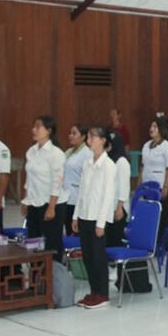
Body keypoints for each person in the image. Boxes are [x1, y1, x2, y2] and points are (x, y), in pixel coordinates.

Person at [71, 127, 118, 310]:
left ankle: (103, 293)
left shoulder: (109, 166)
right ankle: (93, 291)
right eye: (88, 136)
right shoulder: (87, 163)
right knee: (88, 257)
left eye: (92, 136)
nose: (89, 139)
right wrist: (76, 215)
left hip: (98, 218)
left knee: (98, 257)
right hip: (84, 215)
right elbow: (81, 192)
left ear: (103, 140)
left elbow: (107, 196)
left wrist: (101, 223)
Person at [21, 115, 65, 261]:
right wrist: (26, 200)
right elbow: (29, 178)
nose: (34, 129)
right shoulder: (31, 151)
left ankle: (54, 279)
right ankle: (36, 279)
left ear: (48, 131)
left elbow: (57, 182)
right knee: (33, 242)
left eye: (38, 127)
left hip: (52, 204)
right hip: (34, 201)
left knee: (51, 244)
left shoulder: (56, 154)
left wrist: (51, 207)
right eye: (33, 126)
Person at [141, 119, 168, 236]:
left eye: (155, 126)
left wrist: (165, 187)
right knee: (150, 214)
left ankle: (163, 242)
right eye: (151, 126)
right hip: (148, 186)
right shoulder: (146, 145)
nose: (152, 129)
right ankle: (150, 240)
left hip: (162, 186)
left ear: (161, 129)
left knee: (162, 214)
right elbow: (143, 166)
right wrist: (139, 185)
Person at [61, 125, 92, 235]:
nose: (70, 136)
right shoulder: (68, 152)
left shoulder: (87, 154)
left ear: (83, 137)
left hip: (77, 198)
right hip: (65, 197)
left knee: (76, 231)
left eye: (74, 133)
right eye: (70, 133)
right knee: (68, 230)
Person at [104, 130, 130, 248]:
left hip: (119, 208)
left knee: (115, 240)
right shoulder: (108, 160)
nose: (107, 146)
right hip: (109, 207)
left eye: (109, 144)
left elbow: (124, 187)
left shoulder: (122, 162)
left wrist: (119, 207)